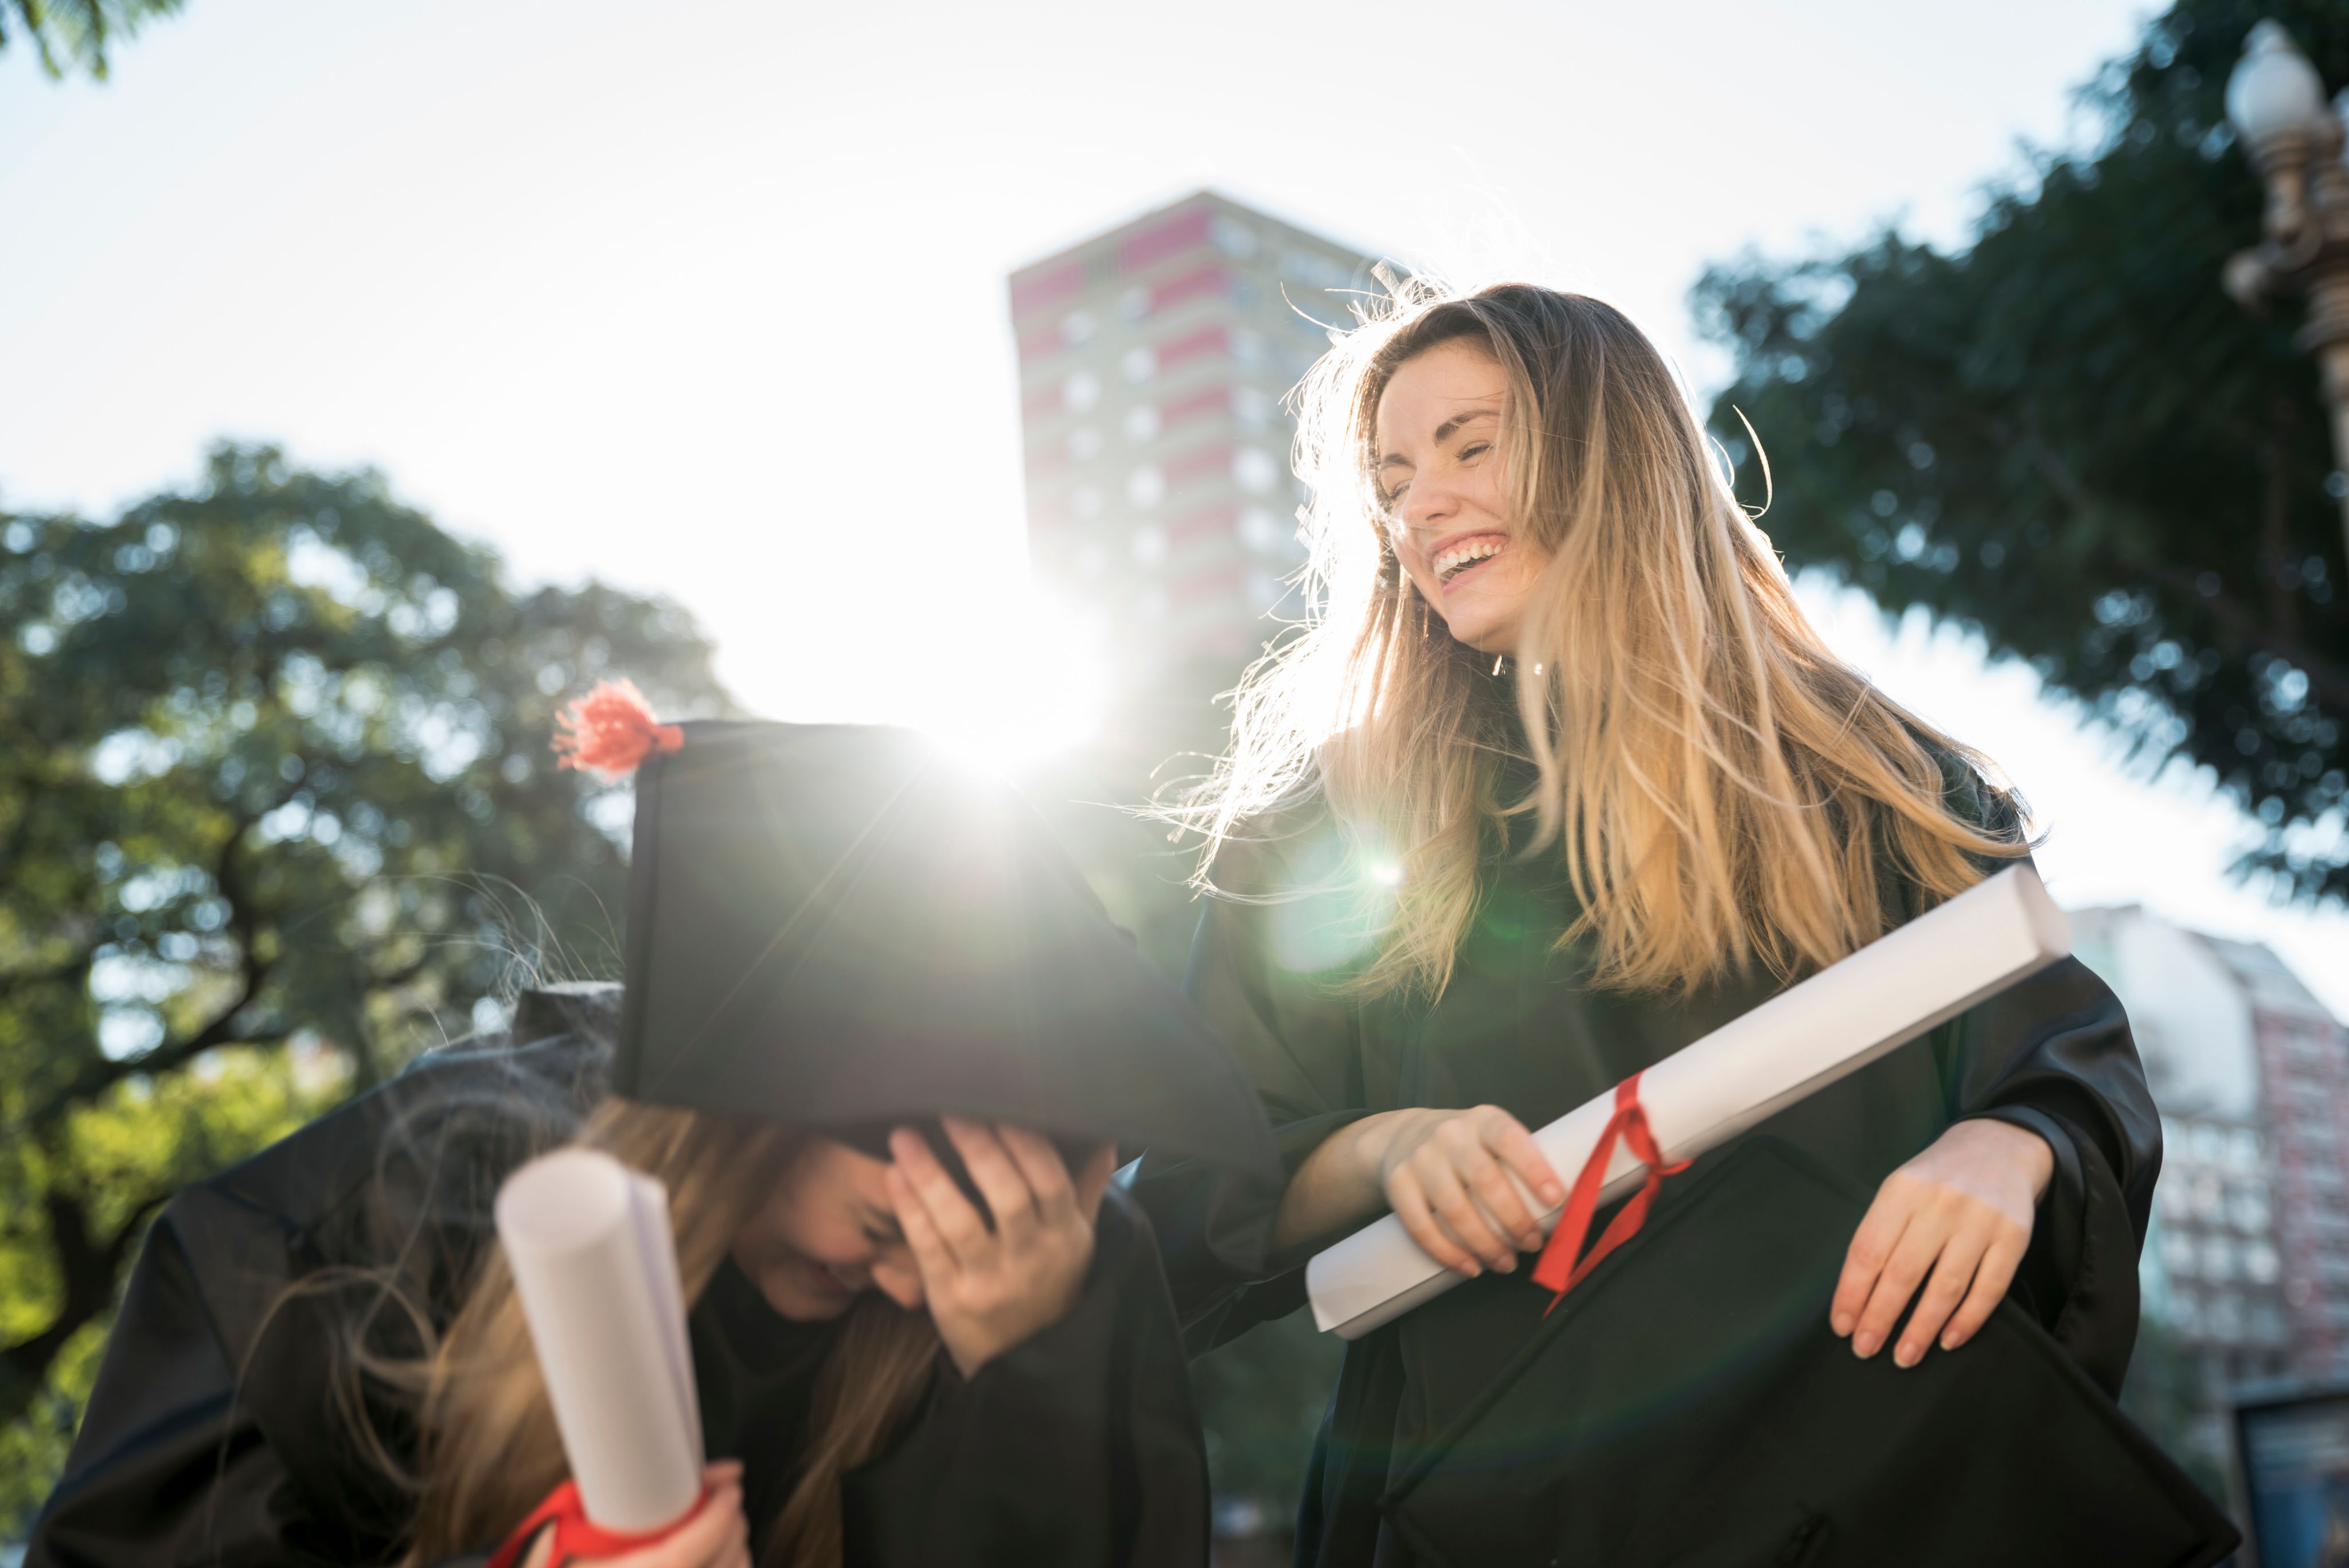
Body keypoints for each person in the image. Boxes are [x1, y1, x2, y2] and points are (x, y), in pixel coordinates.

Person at [1135, 283, 2228, 1565]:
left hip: (1879, 1475)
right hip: (1513, 1504)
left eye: (1470, 445)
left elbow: (2065, 1060)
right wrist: (1383, 1148)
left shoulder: (1858, 774)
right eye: (1390, 477)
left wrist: (2008, 1145)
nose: (1417, 508)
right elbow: (1192, 1190)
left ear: (1606, 454)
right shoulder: (1335, 830)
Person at [30, 702, 1280, 1568]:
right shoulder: (395, 1217)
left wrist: (1027, 1385)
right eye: (892, 1222)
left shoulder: (1054, 1277)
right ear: (759, 1088)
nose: (913, 1286)